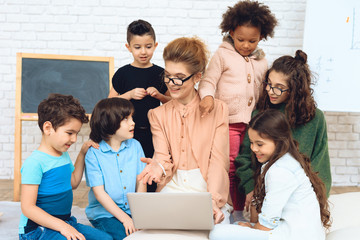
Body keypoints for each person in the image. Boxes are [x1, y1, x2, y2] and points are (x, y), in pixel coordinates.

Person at [137, 37, 231, 225]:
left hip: (206, 188)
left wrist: (212, 200)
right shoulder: (157, 115)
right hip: (172, 187)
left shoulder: (218, 110)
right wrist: (158, 166)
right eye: (167, 75)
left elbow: (218, 162)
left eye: (179, 77)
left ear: (197, 77)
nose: (171, 83)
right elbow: (163, 157)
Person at [198, 0, 277, 221]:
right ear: (231, 32)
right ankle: (232, 207)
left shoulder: (261, 61)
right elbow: (208, 82)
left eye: (252, 40)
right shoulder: (222, 55)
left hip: (253, 124)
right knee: (231, 165)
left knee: (250, 165)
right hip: (229, 122)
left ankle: (248, 206)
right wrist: (206, 97)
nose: (246, 45)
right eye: (241, 39)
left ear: (262, 36)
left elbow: (264, 89)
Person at [210, 109, 331, 240]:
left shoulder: (280, 171)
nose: (254, 148)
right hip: (295, 231)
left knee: (216, 232)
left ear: (278, 141)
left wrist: (250, 229)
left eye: (259, 144)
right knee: (236, 225)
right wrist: (248, 227)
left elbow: (266, 224)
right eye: (251, 142)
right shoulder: (284, 161)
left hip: (293, 235)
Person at [235, 50, 332, 213]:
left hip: (300, 199)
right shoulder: (259, 114)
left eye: (279, 88)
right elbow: (245, 158)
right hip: (264, 198)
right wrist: (250, 188)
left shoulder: (316, 119)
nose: (271, 91)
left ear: (295, 90)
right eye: (269, 84)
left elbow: (320, 167)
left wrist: (312, 202)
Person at [19, 94, 112, 240]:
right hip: (38, 228)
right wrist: (62, 227)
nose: (74, 139)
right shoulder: (34, 163)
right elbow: (28, 208)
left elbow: (73, 182)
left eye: (76, 133)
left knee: (106, 238)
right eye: (70, 133)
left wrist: (81, 154)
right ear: (48, 128)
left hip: (65, 222)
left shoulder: (63, 155)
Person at [108, 19, 170, 166]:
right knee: (129, 167)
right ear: (128, 47)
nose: (143, 52)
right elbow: (108, 104)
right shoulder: (123, 73)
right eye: (137, 47)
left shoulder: (161, 73)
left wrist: (160, 96)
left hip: (154, 132)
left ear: (155, 46)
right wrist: (128, 95)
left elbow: (174, 102)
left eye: (148, 47)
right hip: (126, 132)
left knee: (150, 167)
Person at [84, 98, 147, 240]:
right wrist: (125, 219)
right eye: (126, 119)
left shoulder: (135, 146)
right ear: (109, 122)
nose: (133, 122)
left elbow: (141, 181)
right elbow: (100, 194)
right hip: (105, 214)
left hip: (133, 211)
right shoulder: (94, 153)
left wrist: (139, 215)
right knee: (126, 236)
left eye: (132, 117)